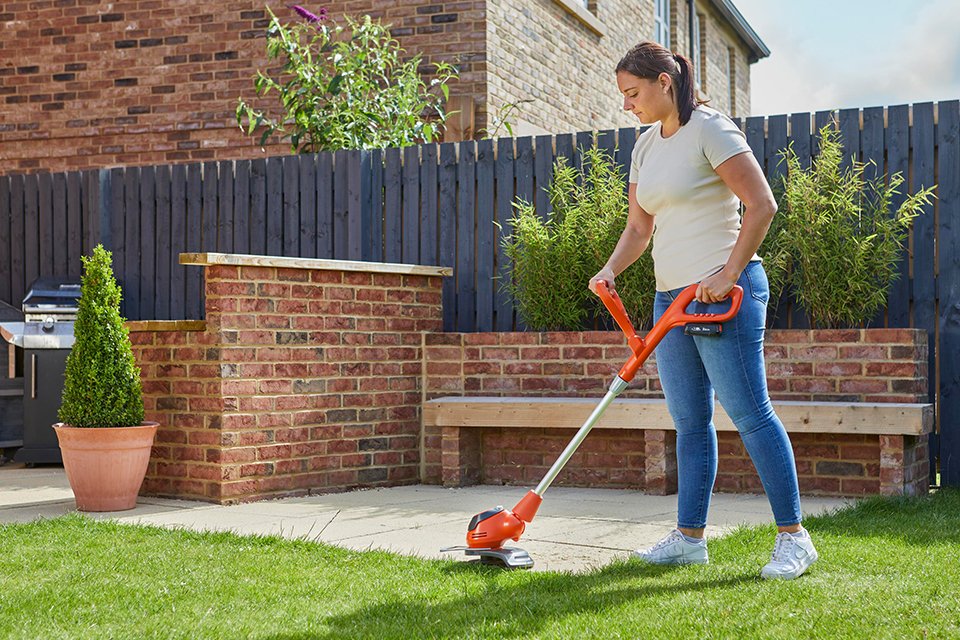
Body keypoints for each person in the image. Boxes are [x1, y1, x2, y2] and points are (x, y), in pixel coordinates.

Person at [589, 41, 817, 580]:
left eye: (633, 93)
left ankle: (794, 537)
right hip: (672, 299)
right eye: (624, 96)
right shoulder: (645, 146)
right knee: (690, 422)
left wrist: (728, 274)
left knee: (750, 412)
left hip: (724, 296)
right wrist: (611, 269)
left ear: (664, 84)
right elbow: (640, 228)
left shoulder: (711, 130)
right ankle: (690, 538)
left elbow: (762, 205)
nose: (628, 105)